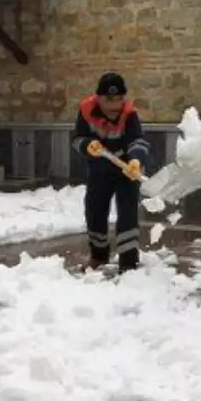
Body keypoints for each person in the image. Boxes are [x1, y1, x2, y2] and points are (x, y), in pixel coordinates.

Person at [70, 72, 150, 273]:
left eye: (119, 100)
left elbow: (138, 141)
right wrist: (87, 145)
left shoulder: (129, 114)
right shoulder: (86, 111)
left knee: (127, 215)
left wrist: (135, 160)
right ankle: (98, 255)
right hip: (100, 170)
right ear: (99, 98)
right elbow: (77, 138)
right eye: (109, 101)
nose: (115, 107)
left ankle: (128, 262)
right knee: (95, 210)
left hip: (128, 171)